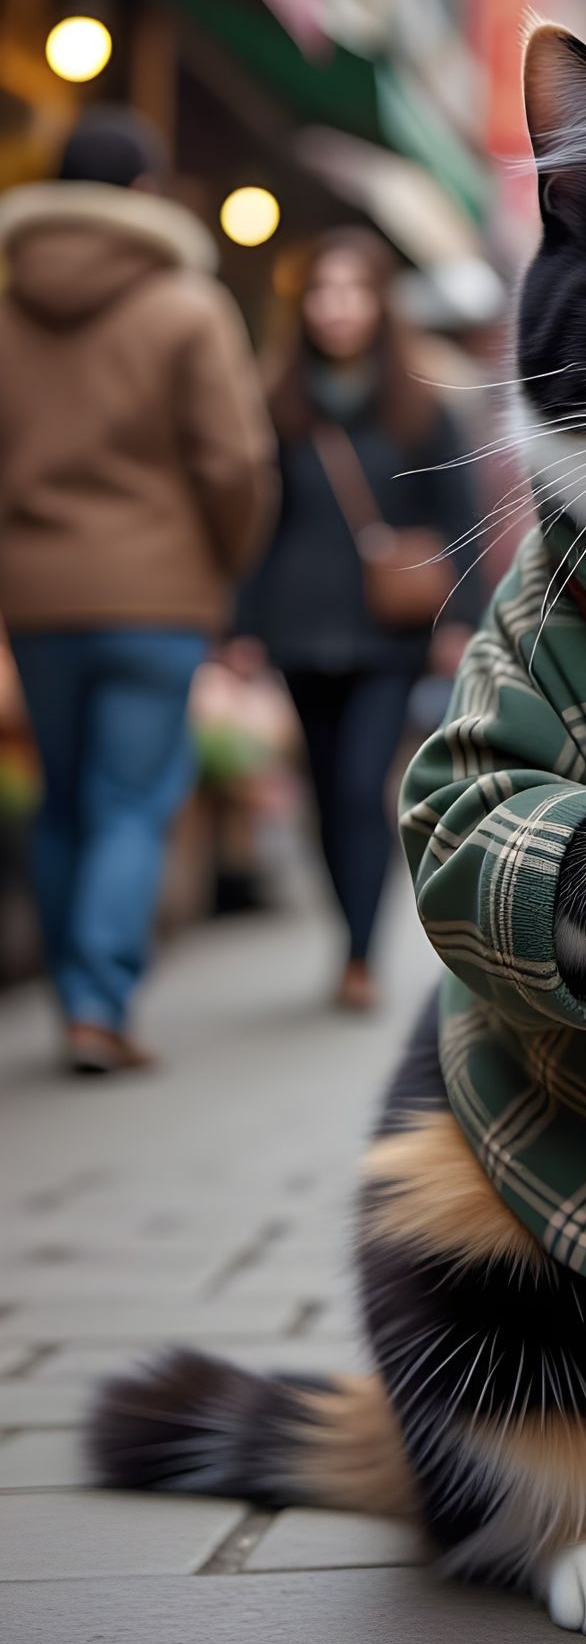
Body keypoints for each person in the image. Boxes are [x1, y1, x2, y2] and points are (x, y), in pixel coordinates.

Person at [0, 108, 276, 1073]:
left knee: (64, 797)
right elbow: (235, 463)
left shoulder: (8, 302)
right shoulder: (186, 304)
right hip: (159, 595)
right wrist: (227, 560)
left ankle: (72, 992)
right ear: (147, 193)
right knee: (129, 800)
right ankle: (99, 1003)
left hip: (36, 595)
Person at [236, 228, 479, 1013]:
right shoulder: (276, 405)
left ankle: (361, 955)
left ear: (380, 303)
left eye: (352, 290)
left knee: (359, 784)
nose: (336, 307)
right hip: (300, 626)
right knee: (320, 787)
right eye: (321, 291)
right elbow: (258, 524)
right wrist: (241, 625)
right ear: (301, 306)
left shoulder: (420, 406)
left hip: (388, 632)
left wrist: (458, 620)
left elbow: (460, 519)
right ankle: (348, 932)